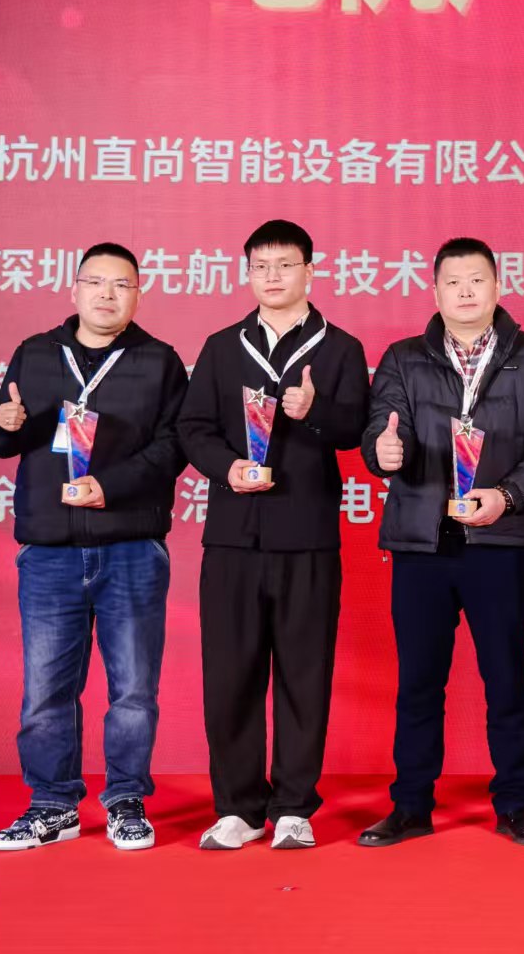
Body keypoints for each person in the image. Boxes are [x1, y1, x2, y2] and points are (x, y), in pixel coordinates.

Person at [357, 237, 524, 848]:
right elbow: (382, 426)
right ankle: (411, 806)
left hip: (498, 540)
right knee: (418, 682)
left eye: (477, 280)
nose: (465, 292)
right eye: (452, 282)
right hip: (422, 542)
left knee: (506, 678)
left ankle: (514, 804)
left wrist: (507, 495)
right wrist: (382, 450)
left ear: (498, 286)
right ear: (434, 291)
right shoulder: (403, 358)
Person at [0, 243, 187, 851]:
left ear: (138, 294)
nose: (107, 294)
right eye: (95, 282)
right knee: (46, 689)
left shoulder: (159, 361)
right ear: (74, 289)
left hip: (131, 546)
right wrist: (3, 423)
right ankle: (52, 805)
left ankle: (126, 800)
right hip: (50, 550)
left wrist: (110, 486)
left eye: (121, 284)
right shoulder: (36, 353)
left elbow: (175, 446)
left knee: (134, 691)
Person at [176, 220, 369, 850]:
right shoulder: (221, 346)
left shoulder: (339, 348)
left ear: (310, 271)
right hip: (233, 536)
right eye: (260, 266)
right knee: (230, 674)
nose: (273, 276)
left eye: (285, 265)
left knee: (303, 674)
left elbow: (356, 430)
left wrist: (314, 413)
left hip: (306, 534)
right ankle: (238, 807)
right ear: (247, 273)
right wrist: (226, 467)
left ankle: (293, 806)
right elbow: (193, 427)